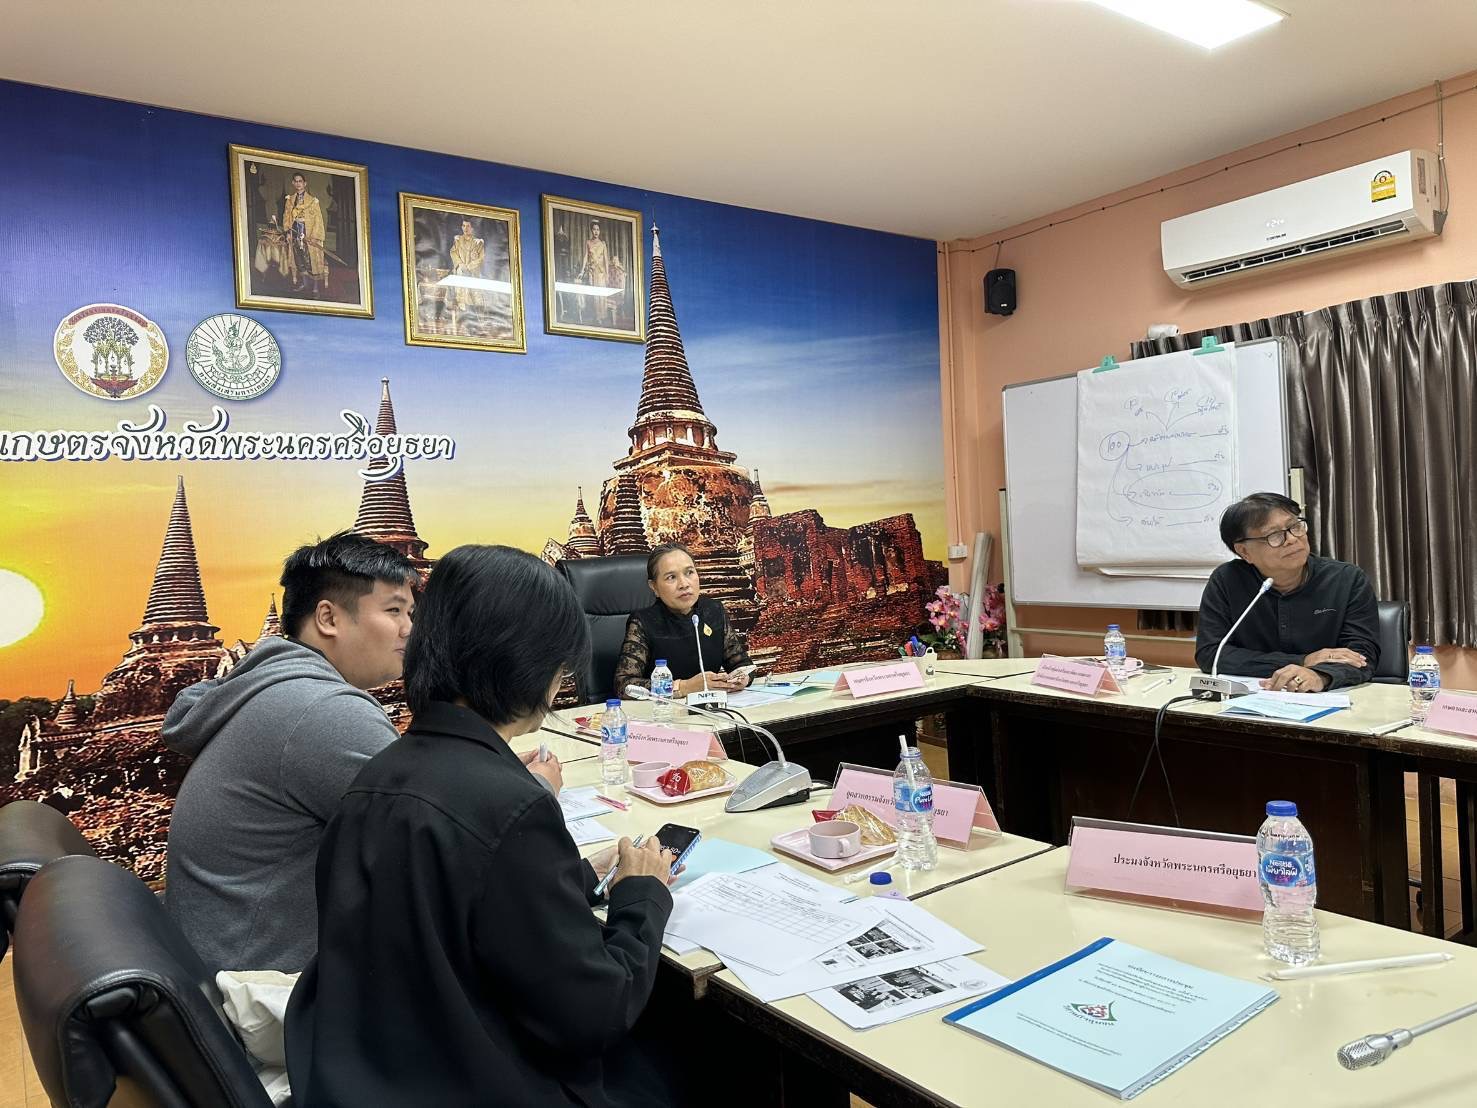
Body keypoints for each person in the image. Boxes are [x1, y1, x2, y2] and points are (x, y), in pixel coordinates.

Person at [286, 546, 681, 1106]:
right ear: (536, 667)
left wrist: (562, 879)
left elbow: (453, 912)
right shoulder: (509, 807)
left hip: (377, 1074)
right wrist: (641, 893)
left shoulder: (379, 774)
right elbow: (594, 1012)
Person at [162, 532, 568, 975]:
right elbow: (458, 846)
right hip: (276, 992)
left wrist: (498, 775)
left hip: (238, 957)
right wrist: (534, 791)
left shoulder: (283, 685)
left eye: (412, 612)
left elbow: (427, 798)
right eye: (393, 610)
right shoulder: (321, 711)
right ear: (328, 618)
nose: (410, 629)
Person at [1195, 493, 1379, 692]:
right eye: (1274, 535)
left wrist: (1321, 675)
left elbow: (1361, 655)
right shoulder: (1226, 581)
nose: (1292, 539)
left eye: (1295, 526)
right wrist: (1303, 661)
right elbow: (1211, 653)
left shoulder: (1347, 579)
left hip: (1330, 699)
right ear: (1244, 552)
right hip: (1254, 698)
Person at [614, 543, 753, 699]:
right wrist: (683, 687)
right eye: (671, 577)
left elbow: (743, 665)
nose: (684, 584)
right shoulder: (643, 622)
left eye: (689, 572)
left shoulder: (713, 611)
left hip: (713, 709)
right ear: (654, 587)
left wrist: (742, 678)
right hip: (664, 713)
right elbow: (624, 686)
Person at [281, 171, 327, 295]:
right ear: (292, 183)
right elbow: (286, 217)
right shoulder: (290, 200)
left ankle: (315, 286)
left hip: (309, 233)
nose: (298, 184)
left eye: (300, 181)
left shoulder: (313, 201)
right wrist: (288, 232)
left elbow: (318, 219)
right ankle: (304, 283)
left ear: (305, 183)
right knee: (298, 258)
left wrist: (314, 236)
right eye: (295, 181)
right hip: (295, 231)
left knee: (311, 259)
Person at [449, 218, 485, 313]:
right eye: (464, 226)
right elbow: (453, 252)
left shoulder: (478, 242)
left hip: (472, 273)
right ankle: (461, 314)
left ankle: (473, 315)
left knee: (473, 297)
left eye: (468, 226)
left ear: (472, 228)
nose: (466, 228)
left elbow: (480, 258)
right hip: (460, 272)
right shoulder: (457, 240)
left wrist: (469, 267)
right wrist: (460, 264)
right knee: (459, 296)